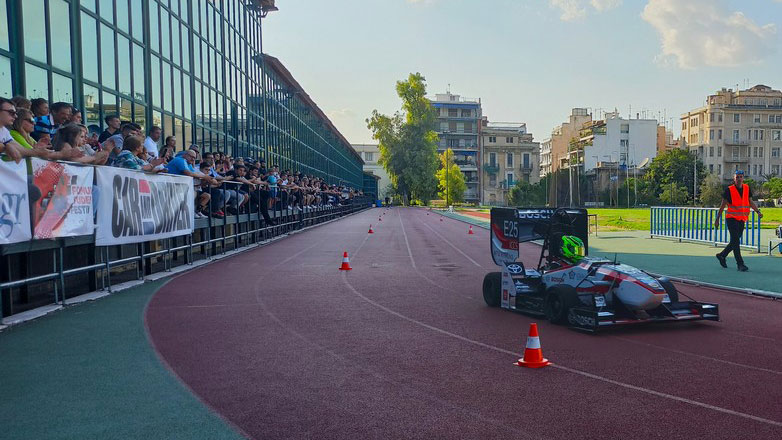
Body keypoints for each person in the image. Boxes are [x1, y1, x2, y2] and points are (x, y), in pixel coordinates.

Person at [715, 170, 763, 271]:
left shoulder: (747, 188)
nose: (739, 179)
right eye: (737, 177)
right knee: (736, 241)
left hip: (741, 219)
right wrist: (717, 219)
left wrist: (758, 211)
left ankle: (722, 255)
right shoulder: (729, 190)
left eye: (741, 177)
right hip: (731, 218)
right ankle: (740, 264)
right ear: (734, 179)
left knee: (735, 240)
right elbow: (723, 205)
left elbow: (750, 202)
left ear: (743, 178)